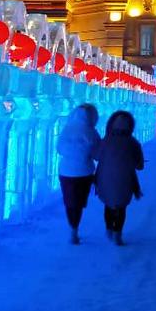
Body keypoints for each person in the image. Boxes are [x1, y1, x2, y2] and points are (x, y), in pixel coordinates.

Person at [92, 110, 144, 246]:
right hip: (125, 181)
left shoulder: (105, 141)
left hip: (105, 179)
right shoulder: (133, 143)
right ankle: (118, 234)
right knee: (121, 208)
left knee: (108, 205)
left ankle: (109, 228)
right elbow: (139, 166)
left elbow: (96, 156)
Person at [56, 103, 100, 244]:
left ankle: (72, 228)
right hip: (84, 172)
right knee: (79, 202)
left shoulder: (67, 129)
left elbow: (59, 149)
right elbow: (97, 154)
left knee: (69, 201)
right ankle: (75, 228)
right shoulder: (91, 131)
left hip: (66, 171)